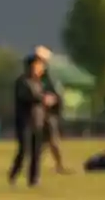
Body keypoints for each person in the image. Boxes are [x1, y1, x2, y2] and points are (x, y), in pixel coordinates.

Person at [10, 50, 54, 187]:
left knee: (37, 152)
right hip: (25, 122)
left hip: (38, 122)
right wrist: (44, 99)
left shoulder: (39, 83)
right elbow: (28, 97)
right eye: (38, 66)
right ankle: (14, 174)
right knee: (24, 150)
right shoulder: (22, 82)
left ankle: (34, 179)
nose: (40, 68)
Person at [33, 46, 73, 175]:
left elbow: (54, 95)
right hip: (41, 114)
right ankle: (55, 166)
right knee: (48, 142)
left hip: (48, 114)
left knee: (49, 142)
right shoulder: (35, 76)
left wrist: (51, 100)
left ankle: (55, 165)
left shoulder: (45, 76)